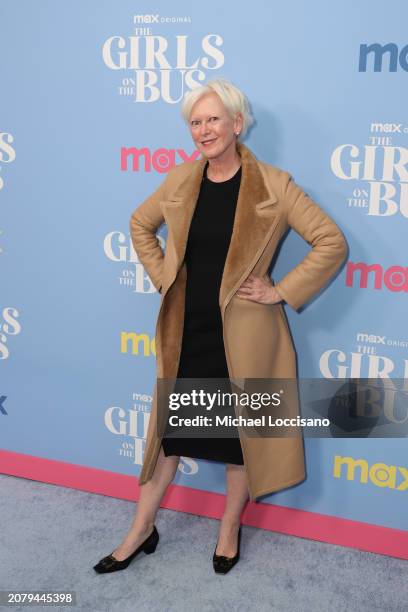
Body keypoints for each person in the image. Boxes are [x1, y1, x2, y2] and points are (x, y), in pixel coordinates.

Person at [93, 78, 348, 575]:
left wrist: (281, 290)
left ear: (236, 123)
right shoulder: (180, 181)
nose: (204, 130)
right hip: (189, 333)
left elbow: (330, 242)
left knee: (239, 440)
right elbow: (140, 226)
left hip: (247, 338)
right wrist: (164, 275)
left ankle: (229, 529)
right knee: (168, 436)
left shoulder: (275, 185)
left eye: (213, 119)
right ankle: (140, 529)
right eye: (195, 121)